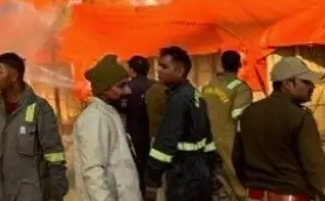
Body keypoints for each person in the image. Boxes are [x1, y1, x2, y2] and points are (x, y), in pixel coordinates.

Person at [232, 56, 325, 201]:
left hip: (254, 196)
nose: (312, 87)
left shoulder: (249, 113)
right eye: (306, 82)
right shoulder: (299, 117)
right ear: (288, 83)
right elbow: (316, 168)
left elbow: (237, 157)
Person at [0, 52, 68, 201]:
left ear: (14, 76)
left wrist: (56, 190)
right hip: (0, 194)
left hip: (31, 195)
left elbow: (54, 154)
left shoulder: (40, 108)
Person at [145, 46, 219, 201]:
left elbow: (165, 142)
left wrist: (152, 180)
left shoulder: (178, 100)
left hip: (183, 178)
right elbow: (208, 138)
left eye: (164, 66)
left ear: (179, 71)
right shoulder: (195, 95)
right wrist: (212, 169)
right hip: (200, 175)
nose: (158, 70)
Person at [74, 55, 142, 201]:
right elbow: (93, 173)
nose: (128, 91)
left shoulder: (109, 112)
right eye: (121, 86)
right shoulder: (94, 118)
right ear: (104, 89)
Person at [200, 51, 252, 201]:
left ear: (222, 64)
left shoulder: (209, 85)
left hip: (206, 138)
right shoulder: (240, 87)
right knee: (235, 176)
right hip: (228, 138)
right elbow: (238, 113)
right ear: (239, 65)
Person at [123, 56, 154, 191]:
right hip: (153, 133)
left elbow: (122, 109)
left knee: (137, 166)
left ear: (132, 69)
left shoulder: (126, 88)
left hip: (134, 133)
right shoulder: (156, 86)